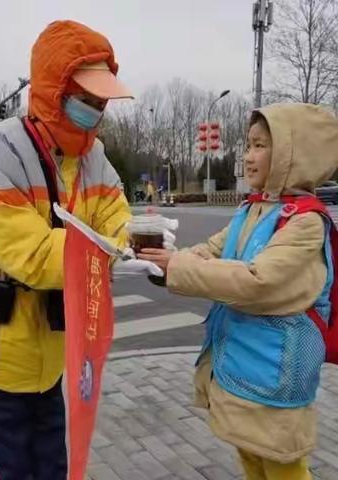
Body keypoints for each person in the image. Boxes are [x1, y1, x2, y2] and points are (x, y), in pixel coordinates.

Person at [0, 20, 159, 480]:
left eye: (103, 100)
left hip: (53, 345)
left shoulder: (92, 156)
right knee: (14, 467)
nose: (97, 109)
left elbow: (114, 213)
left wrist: (133, 237)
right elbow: (34, 254)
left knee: (53, 463)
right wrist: (111, 252)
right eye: (87, 98)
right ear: (53, 90)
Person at [138, 103, 338, 480]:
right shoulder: (253, 210)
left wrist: (177, 267)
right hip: (245, 361)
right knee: (250, 457)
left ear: (292, 155)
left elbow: (255, 280)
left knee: (282, 464)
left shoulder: (306, 222)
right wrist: (167, 260)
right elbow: (213, 249)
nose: (247, 157)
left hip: (276, 367)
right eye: (247, 145)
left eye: (260, 146)